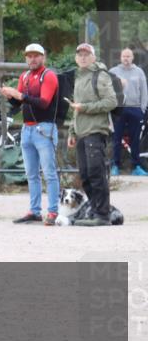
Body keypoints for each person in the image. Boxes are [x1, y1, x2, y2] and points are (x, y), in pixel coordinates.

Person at [1, 43, 60, 225]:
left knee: (49, 173)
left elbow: (43, 102)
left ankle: (53, 211)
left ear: (43, 57)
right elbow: (19, 105)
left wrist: (18, 96)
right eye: (29, 56)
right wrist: (10, 96)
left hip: (44, 128)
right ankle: (35, 210)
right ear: (26, 58)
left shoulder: (48, 76)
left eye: (36, 55)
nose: (32, 59)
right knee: (31, 174)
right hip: (27, 128)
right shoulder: (25, 76)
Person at [67, 43, 118, 226]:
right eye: (79, 54)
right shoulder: (79, 77)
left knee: (96, 174)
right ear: (75, 58)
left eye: (87, 54)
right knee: (85, 175)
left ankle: (103, 216)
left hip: (96, 131)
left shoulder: (100, 75)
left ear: (93, 57)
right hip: (81, 133)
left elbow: (111, 101)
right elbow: (76, 109)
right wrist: (72, 132)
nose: (82, 57)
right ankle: (96, 211)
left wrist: (86, 108)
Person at [109, 48, 148, 176]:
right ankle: (115, 165)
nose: (126, 58)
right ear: (120, 58)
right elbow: (107, 90)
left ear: (132, 58)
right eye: (124, 56)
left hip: (135, 108)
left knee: (135, 139)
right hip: (118, 108)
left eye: (128, 56)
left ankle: (136, 167)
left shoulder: (139, 72)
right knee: (116, 138)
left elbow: (144, 92)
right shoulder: (113, 72)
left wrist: (142, 109)